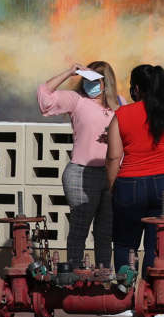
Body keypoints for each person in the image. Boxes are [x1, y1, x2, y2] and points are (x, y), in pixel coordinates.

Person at [106, 64, 164, 275]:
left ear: (137, 89)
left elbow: (113, 157)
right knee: (158, 245)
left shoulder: (122, 114)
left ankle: (124, 297)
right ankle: (153, 298)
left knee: (124, 244)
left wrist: (114, 188)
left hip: (129, 185)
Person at [38, 61, 121, 269]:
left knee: (106, 231)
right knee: (80, 227)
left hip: (112, 174)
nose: (90, 85)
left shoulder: (119, 104)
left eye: (95, 81)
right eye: (86, 80)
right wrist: (70, 72)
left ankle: (104, 275)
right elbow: (44, 96)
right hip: (82, 173)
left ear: (106, 83)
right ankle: (73, 273)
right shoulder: (77, 100)